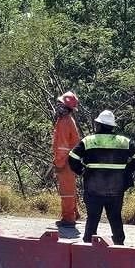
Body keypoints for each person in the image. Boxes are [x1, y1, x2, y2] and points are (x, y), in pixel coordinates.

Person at [68, 109, 135, 245]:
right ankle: (119, 245)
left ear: (99, 125)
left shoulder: (89, 141)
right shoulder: (123, 141)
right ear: (112, 126)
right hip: (116, 189)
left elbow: (72, 157)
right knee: (115, 218)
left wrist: (82, 171)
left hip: (94, 189)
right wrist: (127, 170)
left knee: (92, 218)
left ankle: (88, 245)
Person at [52, 91, 81, 228]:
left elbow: (62, 147)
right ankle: (73, 214)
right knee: (69, 189)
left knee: (67, 191)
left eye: (60, 104)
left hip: (66, 161)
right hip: (70, 159)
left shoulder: (64, 122)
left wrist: (59, 163)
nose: (58, 107)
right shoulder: (66, 120)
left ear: (66, 107)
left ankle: (68, 218)